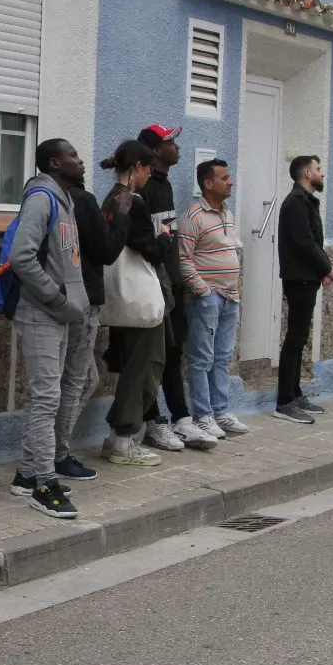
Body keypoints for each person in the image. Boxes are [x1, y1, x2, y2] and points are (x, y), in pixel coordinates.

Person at [105, 141, 214, 457]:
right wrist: (165, 239)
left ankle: (119, 435)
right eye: (148, 169)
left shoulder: (111, 199)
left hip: (122, 299)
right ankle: (124, 438)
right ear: (139, 167)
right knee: (144, 366)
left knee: (135, 364)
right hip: (142, 299)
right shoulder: (133, 202)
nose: (149, 175)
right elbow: (149, 250)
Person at [9, 139, 92, 518]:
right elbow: (21, 257)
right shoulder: (41, 198)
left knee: (49, 397)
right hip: (42, 312)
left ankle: (27, 474)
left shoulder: (64, 199)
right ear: (55, 163)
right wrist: (56, 297)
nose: (80, 160)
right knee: (45, 399)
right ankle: (45, 484)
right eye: (73, 155)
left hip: (60, 313)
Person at [57, 171, 134, 477]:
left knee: (79, 379)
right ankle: (55, 453)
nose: (81, 164)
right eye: (73, 157)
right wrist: (122, 216)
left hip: (58, 299)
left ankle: (52, 449)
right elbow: (107, 250)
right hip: (82, 299)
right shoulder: (80, 200)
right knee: (78, 380)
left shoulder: (51, 198)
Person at [178, 158, 250, 436]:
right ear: (208, 183)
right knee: (201, 359)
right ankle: (202, 415)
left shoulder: (226, 214)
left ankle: (221, 412)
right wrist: (203, 291)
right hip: (207, 298)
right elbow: (184, 259)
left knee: (222, 358)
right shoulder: (193, 216)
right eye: (224, 178)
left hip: (230, 297)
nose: (231, 182)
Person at [137, 124, 195, 447]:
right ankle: (151, 421)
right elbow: (148, 241)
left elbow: (168, 235)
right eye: (171, 142)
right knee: (150, 356)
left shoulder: (165, 184)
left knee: (173, 352)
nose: (177, 147)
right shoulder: (143, 188)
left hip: (172, 282)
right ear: (156, 150)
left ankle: (181, 418)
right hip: (151, 284)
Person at [274, 155, 333, 424]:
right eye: (318, 169)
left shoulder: (305, 201)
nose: (322, 173)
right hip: (299, 278)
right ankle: (284, 401)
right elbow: (305, 243)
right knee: (295, 339)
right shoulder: (297, 202)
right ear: (307, 173)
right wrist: (327, 267)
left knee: (299, 339)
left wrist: (321, 270)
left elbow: (311, 243)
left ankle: (295, 393)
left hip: (306, 277)